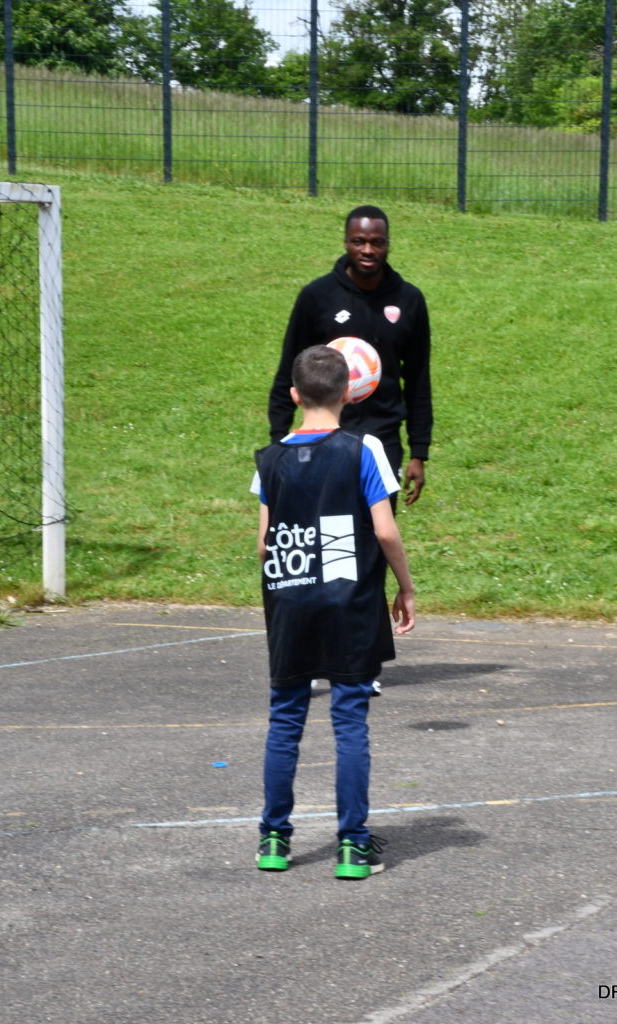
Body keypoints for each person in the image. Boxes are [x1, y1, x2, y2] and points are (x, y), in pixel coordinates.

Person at [252, 345, 415, 879]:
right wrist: (406, 587)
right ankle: (352, 846)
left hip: (290, 600)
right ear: (350, 393)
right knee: (349, 722)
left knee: (285, 719)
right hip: (349, 603)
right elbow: (385, 530)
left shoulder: (270, 458)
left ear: (294, 395)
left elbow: (264, 544)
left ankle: (274, 840)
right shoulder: (364, 449)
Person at [268, 205, 432, 506]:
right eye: (359, 241)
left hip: (383, 439)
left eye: (377, 242)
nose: (368, 250)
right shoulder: (317, 296)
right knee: (326, 522)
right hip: (324, 434)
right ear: (346, 243)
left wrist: (419, 451)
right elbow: (289, 370)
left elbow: (418, 379)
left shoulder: (409, 300)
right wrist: (279, 441)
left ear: (388, 245)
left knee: (378, 527)